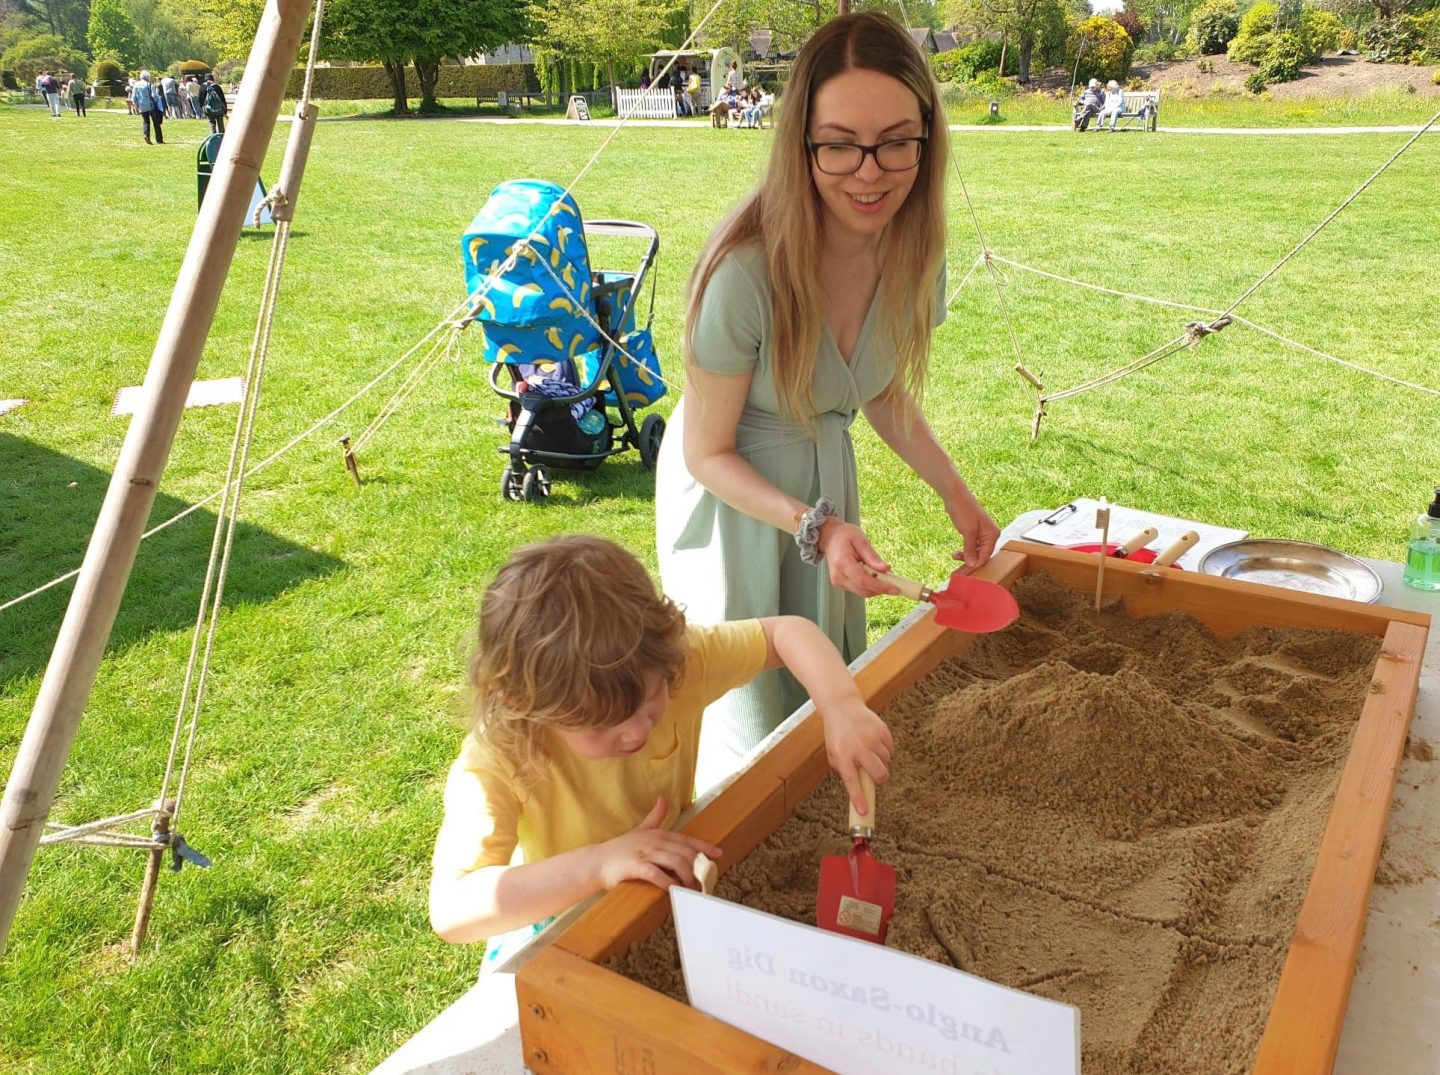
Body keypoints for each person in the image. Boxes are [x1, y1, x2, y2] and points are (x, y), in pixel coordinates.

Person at [655, 11, 999, 791]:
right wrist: (817, 524)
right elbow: (704, 453)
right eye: (839, 143)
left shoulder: (917, 252)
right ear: (801, 142)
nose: (870, 171)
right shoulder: (745, 273)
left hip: (822, 496)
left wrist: (957, 494)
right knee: (747, 727)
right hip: (734, 505)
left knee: (824, 697)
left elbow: (873, 385)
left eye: (895, 140)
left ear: (927, 138)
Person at [427, 535, 892, 967]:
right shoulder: (500, 755)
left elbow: (787, 633)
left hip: (662, 890)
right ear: (527, 707)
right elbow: (454, 910)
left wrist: (841, 706)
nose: (634, 733)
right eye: (603, 726)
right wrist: (602, 862)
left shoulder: (673, 663)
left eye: (651, 705)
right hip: (558, 917)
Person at [132, 71, 164, 143]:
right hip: (151, 105)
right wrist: (157, 101)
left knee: (146, 121)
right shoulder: (149, 85)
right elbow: (154, 96)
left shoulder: (136, 85)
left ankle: (146, 135)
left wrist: (136, 108)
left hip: (142, 106)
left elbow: (134, 98)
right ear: (147, 77)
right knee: (156, 123)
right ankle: (159, 140)